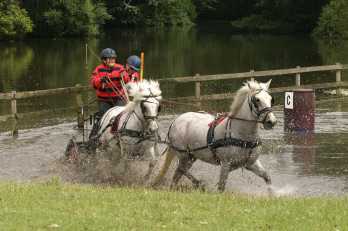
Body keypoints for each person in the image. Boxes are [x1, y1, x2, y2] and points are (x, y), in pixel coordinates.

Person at [89, 48, 129, 139]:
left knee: (122, 116)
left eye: (113, 58)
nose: (112, 60)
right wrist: (101, 80)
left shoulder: (120, 68)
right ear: (104, 60)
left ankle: (124, 134)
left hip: (119, 98)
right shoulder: (98, 70)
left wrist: (122, 75)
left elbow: (126, 79)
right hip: (104, 100)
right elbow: (93, 83)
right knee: (102, 118)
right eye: (109, 59)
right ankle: (94, 137)